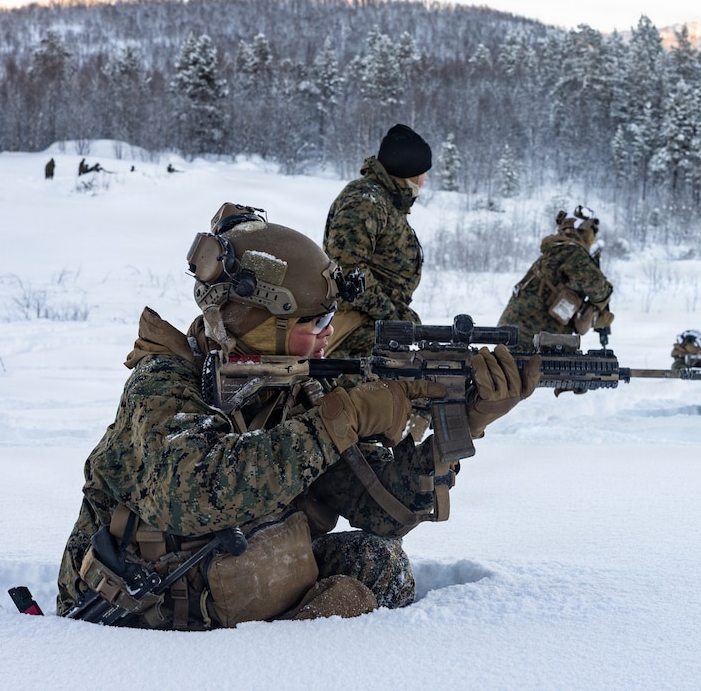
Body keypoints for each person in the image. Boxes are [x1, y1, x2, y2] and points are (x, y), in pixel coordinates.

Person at [56, 202, 540, 629]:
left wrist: (468, 421)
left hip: (236, 571)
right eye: (317, 322)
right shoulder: (161, 384)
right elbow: (195, 494)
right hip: (137, 606)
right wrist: (342, 418)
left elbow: (382, 511)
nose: (330, 333)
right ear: (261, 323)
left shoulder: (297, 389)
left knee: (380, 565)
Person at [323, 124, 431, 358]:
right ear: (408, 172)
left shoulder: (386, 201)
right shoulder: (366, 201)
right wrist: (390, 317)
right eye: (422, 173)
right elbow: (348, 269)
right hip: (353, 330)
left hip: (372, 322)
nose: (424, 180)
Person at [498, 207, 614, 352]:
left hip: (513, 335)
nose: (592, 241)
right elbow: (598, 289)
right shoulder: (571, 252)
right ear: (584, 232)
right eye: (592, 234)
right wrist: (598, 307)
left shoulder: (554, 251)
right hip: (531, 339)